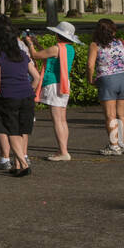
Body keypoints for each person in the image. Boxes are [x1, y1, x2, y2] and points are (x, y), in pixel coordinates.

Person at [0, 19, 44, 177]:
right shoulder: (22, 54)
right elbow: (36, 77)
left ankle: (24, 164)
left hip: (7, 97)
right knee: (21, 131)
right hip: (26, 96)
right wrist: (31, 90)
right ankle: (18, 163)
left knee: (11, 131)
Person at [25, 21, 78, 161]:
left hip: (54, 85)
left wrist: (30, 44)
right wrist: (36, 43)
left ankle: (63, 152)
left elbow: (36, 56)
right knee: (62, 119)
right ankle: (63, 149)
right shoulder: (69, 48)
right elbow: (47, 56)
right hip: (64, 84)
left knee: (57, 120)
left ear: (58, 34)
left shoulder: (56, 48)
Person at [0, 14, 27, 170]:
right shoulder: (21, 45)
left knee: (1, 123)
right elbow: (29, 64)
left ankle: (5, 159)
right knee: (21, 123)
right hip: (21, 85)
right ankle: (23, 157)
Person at [87, 18, 124, 155]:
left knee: (110, 115)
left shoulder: (95, 45)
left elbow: (90, 65)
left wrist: (90, 79)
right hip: (123, 79)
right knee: (122, 114)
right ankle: (123, 144)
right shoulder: (121, 43)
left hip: (107, 80)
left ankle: (114, 145)